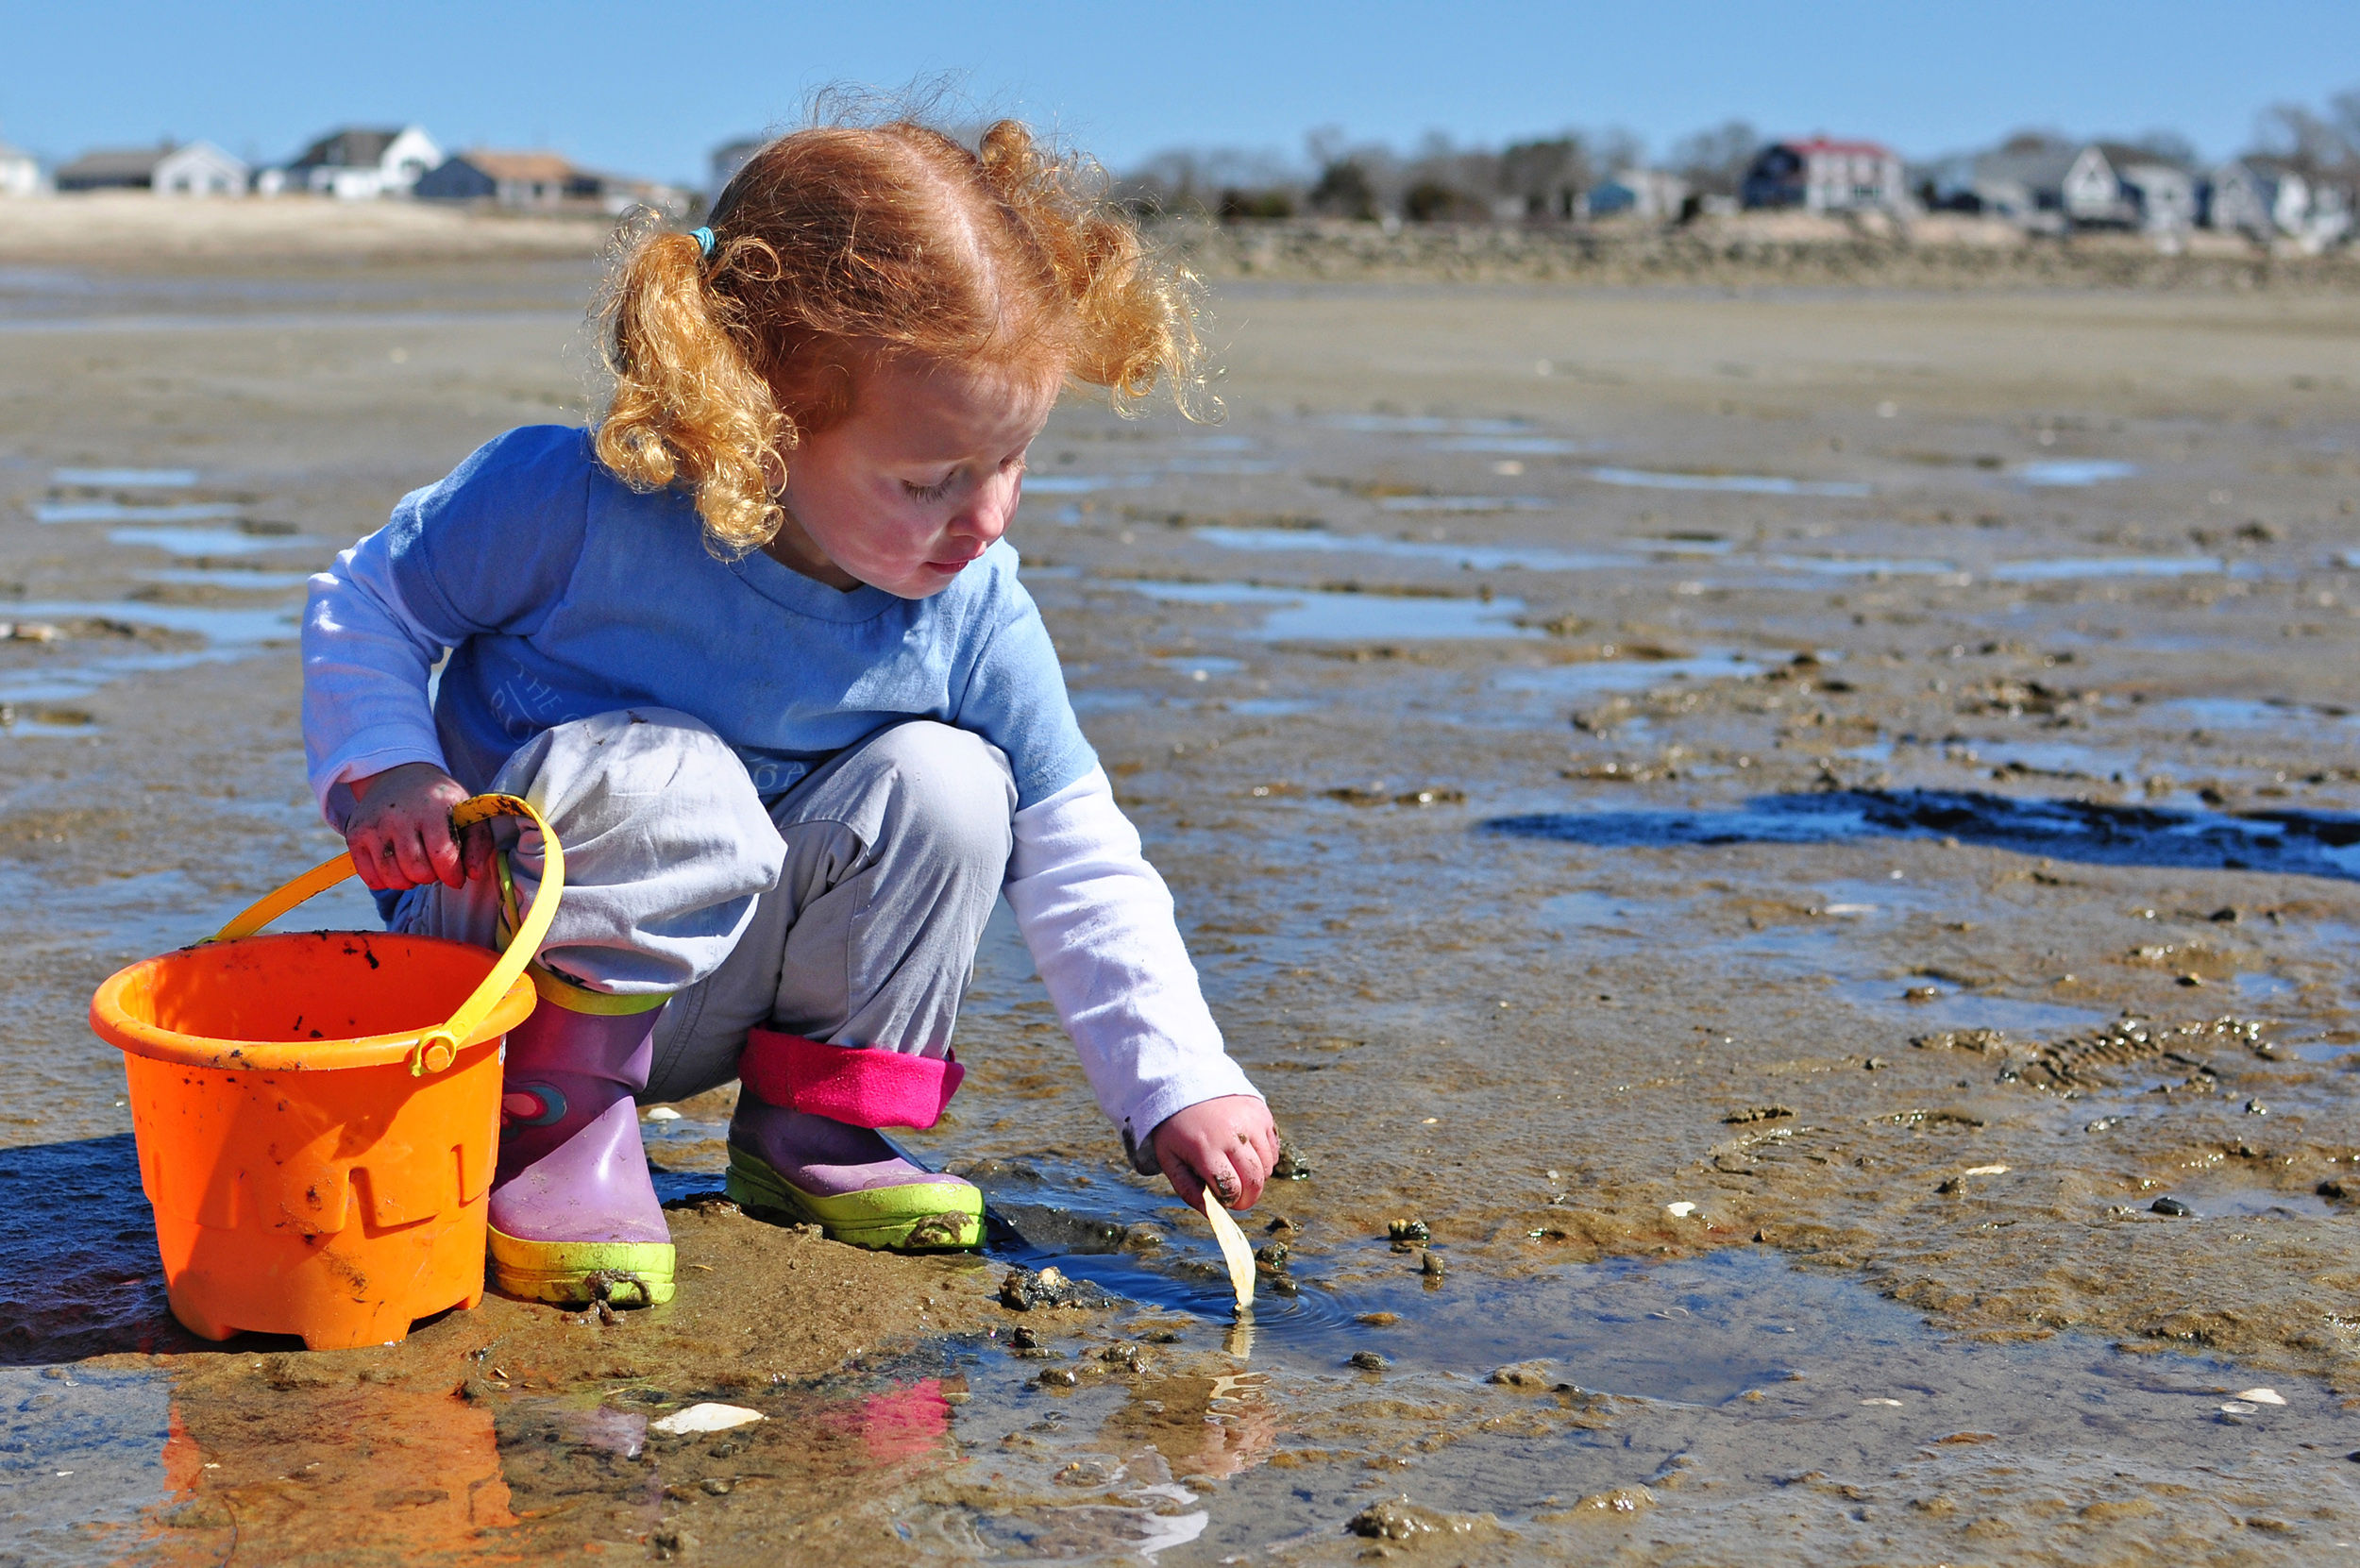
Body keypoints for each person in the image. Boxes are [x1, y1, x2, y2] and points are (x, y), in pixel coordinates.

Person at [300, 116, 1277, 1309]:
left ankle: (821, 1131)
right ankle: (551, 1130)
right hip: (502, 963)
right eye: (928, 482)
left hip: (734, 991)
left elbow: (1077, 848)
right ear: (754, 413)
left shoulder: (969, 607)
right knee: (671, 769)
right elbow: (372, 600)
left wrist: (1177, 1077)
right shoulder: (573, 501)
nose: (988, 519)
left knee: (957, 783)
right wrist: (386, 766)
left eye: (1013, 460)